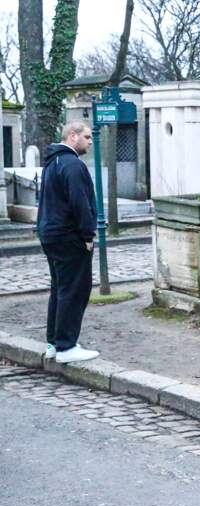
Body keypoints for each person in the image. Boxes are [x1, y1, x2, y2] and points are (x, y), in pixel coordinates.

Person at [37, 121, 99, 364]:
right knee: (75, 290)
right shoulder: (72, 164)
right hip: (69, 235)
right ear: (73, 136)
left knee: (60, 289)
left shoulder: (53, 162)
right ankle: (66, 346)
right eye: (86, 137)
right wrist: (87, 235)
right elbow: (79, 202)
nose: (90, 141)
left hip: (51, 233)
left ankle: (54, 343)